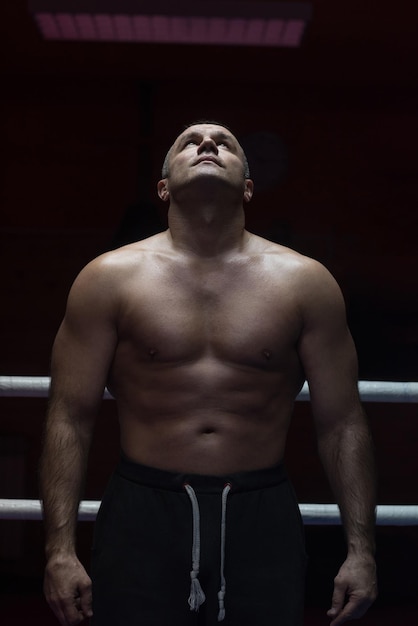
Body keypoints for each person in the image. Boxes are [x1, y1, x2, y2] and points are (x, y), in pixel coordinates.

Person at [40, 121, 377, 626]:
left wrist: (361, 550)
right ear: (162, 187)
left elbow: (342, 422)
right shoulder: (107, 279)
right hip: (142, 510)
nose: (206, 145)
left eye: (224, 143)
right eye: (188, 142)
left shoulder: (305, 283)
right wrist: (59, 551)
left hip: (261, 512)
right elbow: (69, 416)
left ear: (247, 187)